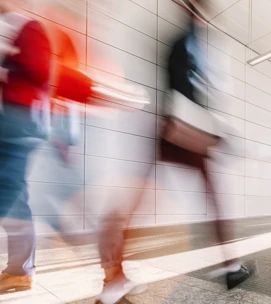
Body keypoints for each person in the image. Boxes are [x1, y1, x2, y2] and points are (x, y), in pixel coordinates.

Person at [95, 2, 254, 303]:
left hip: (169, 128)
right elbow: (185, 91)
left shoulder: (185, 42)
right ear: (197, 14)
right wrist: (210, 135)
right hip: (180, 131)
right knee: (211, 199)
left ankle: (114, 277)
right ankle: (231, 266)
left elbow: (183, 89)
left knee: (138, 202)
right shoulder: (190, 44)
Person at [0, 1, 52, 292]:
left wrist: (6, 66)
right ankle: (20, 270)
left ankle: (21, 270)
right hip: (9, 120)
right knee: (13, 193)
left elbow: (39, 72)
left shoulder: (28, 27)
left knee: (8, 192)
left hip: (19, 122)